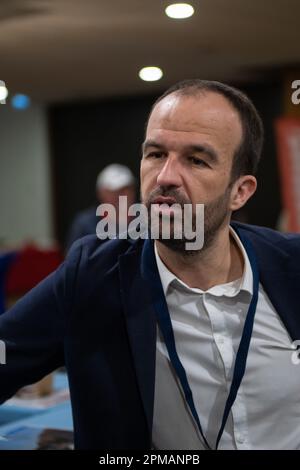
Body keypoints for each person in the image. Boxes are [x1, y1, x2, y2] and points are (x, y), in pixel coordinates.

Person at [1, 79, 300, 450]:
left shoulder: (291, 266)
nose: (165, 177)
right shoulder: (94, 277)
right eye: (156, 154)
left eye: (196, 160)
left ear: (240, 191)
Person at [66, 163, 136, 249]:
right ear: (101, 193)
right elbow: (74, 259)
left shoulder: (145, 220)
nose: (125, 195)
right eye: (116, 191)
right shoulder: (85, 224)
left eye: (128, 189)